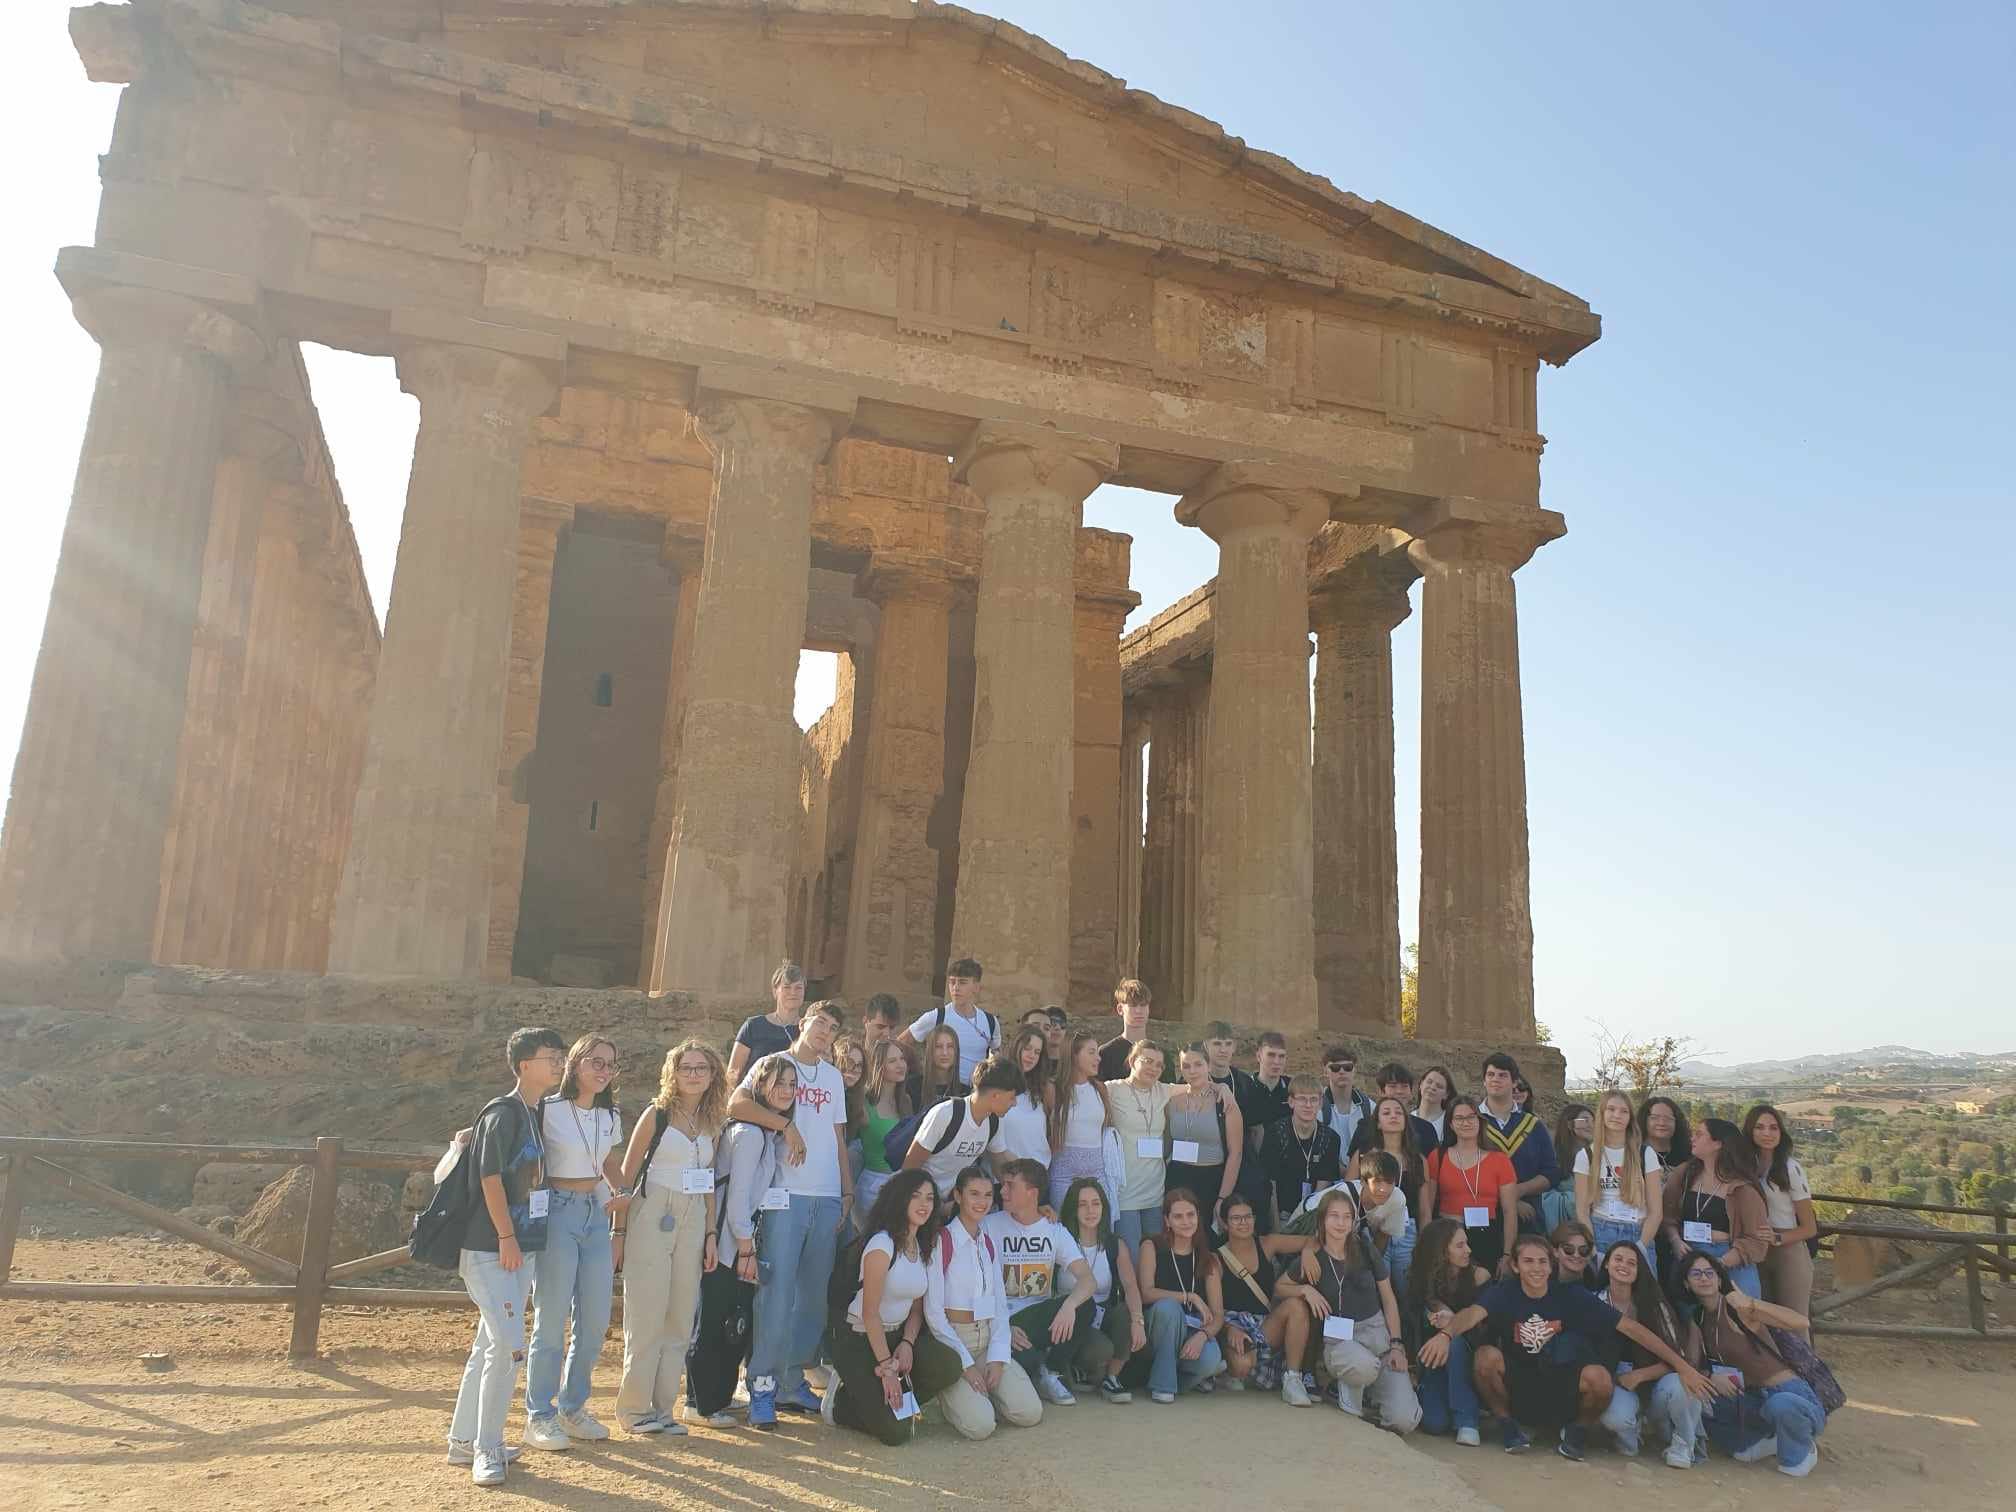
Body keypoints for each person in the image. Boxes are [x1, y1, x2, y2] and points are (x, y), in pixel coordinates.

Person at [1420, 1234, 1711, 1460]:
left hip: (1562, 1386)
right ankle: (1507, 1425)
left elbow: (1632, 1329)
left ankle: (1577, 1430)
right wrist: (1445, 1335)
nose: (1536, 1268)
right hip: (1519, 1384)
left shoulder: (1572, 1296)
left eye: (1542, 1262)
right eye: (1529, 1261)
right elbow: (1472, 1315)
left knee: (1600, 1377)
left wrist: (1683, 1366)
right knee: (1485, 1357)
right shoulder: (1503, 1293)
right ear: (1515, 1266)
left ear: (1551, 1265)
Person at [447, 1026, 567, 1486]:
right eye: (550, 1056)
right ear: (523, 1065)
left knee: (490, 1344)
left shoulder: (532, 1112)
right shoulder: (504, 1112)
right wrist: (506, 1236)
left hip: (517, 1247)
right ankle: (488, 1447)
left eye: (559, 1056)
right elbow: (490, 1178)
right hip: (492, 1248)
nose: (558, 1063)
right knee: (510, 1347)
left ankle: (464, 1440)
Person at [724, 1000, 853, 1427]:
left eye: (833, 1028)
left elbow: (838, 1136)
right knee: (776, 1296)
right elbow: (736, 1105)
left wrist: (846, 1189)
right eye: (820, 1023)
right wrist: (785, 1125)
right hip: (784, 1195)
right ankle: (761, 1385)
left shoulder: (833, 1076)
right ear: (802, 1023)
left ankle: (791, 1382)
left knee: (811, 1299)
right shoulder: (775, 1063)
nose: (825, 1032)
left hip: (826, 1196)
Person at [614, 1039, 725, 1436]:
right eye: (686, 1067)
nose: (693, 1074)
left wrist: (711, 1232)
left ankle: (664, 1410)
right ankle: (633, 1410)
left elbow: (709, 1180)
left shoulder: (713, 1121)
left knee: (680, 1316)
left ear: (712, 1075)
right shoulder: (656, 1114)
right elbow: (626, 1178)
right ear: (672, 1073)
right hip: (653, 1211)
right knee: (647, 1315)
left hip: (694, 1217)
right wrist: (619, 1232)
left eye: (701, 1068)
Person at [524, 1033, 629, 1451]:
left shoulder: (609, 1114)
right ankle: (540, 1414)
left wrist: (623, 1191)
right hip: (557, 1210)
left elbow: (608, 1162)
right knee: (551, 1318)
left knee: (595, 1320)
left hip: (595, 1213)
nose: (603, 1071)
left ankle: (573, 1408)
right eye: (595, 1062)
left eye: (610, 1064)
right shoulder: (547, 1108)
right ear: (575, 1063)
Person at [686, 1054, 795, 1426]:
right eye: (779, 1083)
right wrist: (746, 1248)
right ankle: (700, 1404)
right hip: (728, 1243)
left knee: (731, 1320)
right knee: (714, 1320)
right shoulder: (749, 1135)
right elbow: (737, 1199)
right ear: (759, 1086)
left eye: (792, 1085)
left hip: (738, 1241)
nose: (786, 1091)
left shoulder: (764, 1133)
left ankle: (714, 1396)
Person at [824, 1170, 964, 1444]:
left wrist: (908, 1343)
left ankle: (893, 1406)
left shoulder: (921, 1245)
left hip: (897, 1336)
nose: (924, 1204)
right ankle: (841, 1403)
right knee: (896, 1435)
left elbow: (916, 1308)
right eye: (915, 1196)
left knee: (949, 1364)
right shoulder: (882, 1244)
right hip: (859, 1339)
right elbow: (870, 1313)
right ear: (899, 1199)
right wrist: (887, 1369)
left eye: (930, 1198)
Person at [1677, 1247, 1826, 1476]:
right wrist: (1711, 1377)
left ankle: (1803, 1447)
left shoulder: (1740, 1309)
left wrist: (1752, 1303)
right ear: (1686, 1283)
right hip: (1753, 1398)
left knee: (1784, 1426)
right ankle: (1770, 1438)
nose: (1704, 1278)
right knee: (1701, 1401)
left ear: (1719, 1279)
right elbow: (1692, 1367)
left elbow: (1800, 1322)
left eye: (1709, 1272)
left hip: (1789, 1394)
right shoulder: (1698, 1318)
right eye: (1696, 1274)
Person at [926, 1164, 1044, 1437]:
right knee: (980, 1427)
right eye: (974, 1194)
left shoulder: (987, 1243)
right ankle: (947, 1396)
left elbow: (999, 1306)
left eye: (988, 1195)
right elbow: (933, 1312)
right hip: (954, 1342)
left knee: (1029, 1413)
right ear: (958, 1196)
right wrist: (965, 1366)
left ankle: (984, 1397)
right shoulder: (942, 1242)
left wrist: (998, 1357)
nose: (982, 1202)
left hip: (987, 1338)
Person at [1293, 1187, 1419, 1431]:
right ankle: (1346, 1385)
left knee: (1404, 1420)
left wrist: (1396, 1345)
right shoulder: (1313, 1255)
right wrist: (1305, 1290)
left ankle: (1363, 1392)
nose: (1341, 1223)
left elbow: (1389, 1298)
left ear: (1354, 1221)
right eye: (1334, 1216)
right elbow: (1281, 1287)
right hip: (1340, 1342)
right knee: (1364, 1367)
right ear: (1322, 1219)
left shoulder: (1365, 1249)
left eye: (1347, 1217)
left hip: (1377, 1338)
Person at [982, 1158, 1096, 1405]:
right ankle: (1038, 1369)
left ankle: (1051, 1370)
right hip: (1002, 1318)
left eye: (1010, 1185)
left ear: (1032, 1193)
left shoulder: (1054, 1230)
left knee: (1086, 1305)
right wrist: (1002, 1326)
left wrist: (1068, 1306)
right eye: (1003, 1184)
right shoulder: (989, 1225)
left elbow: (1088, 1280)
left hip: (1038, 1318)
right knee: (1028, 1360)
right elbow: (975, 1286)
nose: (1002, 1191)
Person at [1594, 1239, 1703, 1468]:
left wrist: (1640, 1375)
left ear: (1639, 1270)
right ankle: (1629, 1439)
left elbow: (1678, 1357)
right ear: (1606, 1264)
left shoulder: (1655, 1305)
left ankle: (1684, 1444)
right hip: (1616, 1384)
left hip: (1656, 1384)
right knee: (1615, 1417)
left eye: (1631, 1263)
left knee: (1683, 1382)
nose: (1624, 1265)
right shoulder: (1595, 1303)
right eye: (1618, 1259)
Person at [1214, 1191, 1315, 1404]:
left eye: (1248, 1216)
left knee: (1296, 1306)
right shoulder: (1216, 1259)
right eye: (1236, 1218)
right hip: (1234, 1325)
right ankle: (1233, 1367)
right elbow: (1214, 1309)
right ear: (1224, 1223)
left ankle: (1293, 1378)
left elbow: (1314, 1241)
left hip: (1265, 1326)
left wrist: (1306, 1252)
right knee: (1241, 1365)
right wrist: (1229, 1329)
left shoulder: (1268, 1243)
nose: (1243, 1223)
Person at [1661, 1117, 1772, 1298]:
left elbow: (1757, 1240)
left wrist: (1721, 1262)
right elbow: (1667, 1215)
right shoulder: (1684, 1174)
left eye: (1699, 1134)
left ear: (1718, 1144)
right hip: (1688, 1255)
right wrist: (1675, 1240)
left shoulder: (1742, 1187)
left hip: (1729, 1259)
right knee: (1687, 1313)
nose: (1692, 1138)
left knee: (1738, 1313)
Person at [1061, 1176, 1149, 1401]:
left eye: (1096, 1203)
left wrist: (1138, 1320)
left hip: (1102, 1315)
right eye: (1082, 1204)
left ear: (1104, 1207)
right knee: (1102, 1349)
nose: (1090, 1210)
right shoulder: (1061, 1239)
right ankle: (1077, 1368)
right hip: (1072, 1318)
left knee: (1126, 1312)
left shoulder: (1114, 1244)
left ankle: (1112, 1378)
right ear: (1073, 1209)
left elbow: (1130, 1286)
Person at [1135, 1187, 1226, 1402]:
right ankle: (1163, 1386)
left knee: (1211, 1359)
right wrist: (1190, 1297)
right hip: (1156, 1328)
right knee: (1169, 1307)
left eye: (1190, 1215)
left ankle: (1168, 1377)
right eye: (1178, 1216)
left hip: (1191, 1330)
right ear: (1167, 1221)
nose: (1186, 1222)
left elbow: (1218, 1315)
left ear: (1198, 1217)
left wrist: (1202, 1336)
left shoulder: (1209, 1258)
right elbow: (1146, 1293)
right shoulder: (1151, 1246)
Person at [1407, 1218, 1490, 1444]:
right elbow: (1411, 1326)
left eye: (1466, 1243)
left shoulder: (1479, 1276)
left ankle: (1467, 1420)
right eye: (1460, 1245)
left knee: (1454, 1343)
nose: (1468, 1250)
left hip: (1469, 1356)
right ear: (1441, 1251)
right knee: (1434, 1423)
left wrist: (1452, 1323)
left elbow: (1486, 1327)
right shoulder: (1421, 1279)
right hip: (1433, 1360)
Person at [1421, 1095, 1518, 1274]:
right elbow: (1427, 1206)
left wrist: (1507, 1254)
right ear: (1451, 1124)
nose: (1466, 1122)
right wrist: (1426, 1244)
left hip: (1486, 1235)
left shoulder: (1500, 1160)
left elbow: (1509, 1211)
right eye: (1459, 1118)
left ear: (1479, 1120)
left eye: (1471, 1117)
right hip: (1448, 1234)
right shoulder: (1437, 1156)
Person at [905, 1055, 1021, 1195]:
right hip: (923, 1199)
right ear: (996, 1095)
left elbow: (999, 1160)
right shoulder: (945, 1114)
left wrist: (1019, 1191)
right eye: (1012, 1097)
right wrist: (929, 1202)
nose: (1015, 1103)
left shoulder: (994, 1121)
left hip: (953, 1199)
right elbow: (909, 1169)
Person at [1348, 1096, 1426, 1294]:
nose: (1393, 1116)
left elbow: (1425, 1207)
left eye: (1399, 1112)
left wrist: (1424, 1241)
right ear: (1378, 1123)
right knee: (1375, 1288)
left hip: (1406, 1232)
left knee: (1406, 1290)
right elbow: (1348, 1192)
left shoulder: (1418, 1160)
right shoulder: (1364, 1154)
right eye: (1386, 1112)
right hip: (1372, 1227)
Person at [1745, 1104, 1817, 1317]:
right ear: (1750, 1131)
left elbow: (1809, 1228)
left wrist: (1777, 1238)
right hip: (1755, 1251)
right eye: (1759, 1127)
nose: (1767, 1133)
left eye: (1773, 1127)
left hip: (1788, 1252)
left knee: (1794, 1321)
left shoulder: (1790, 1168)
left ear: (1781, 1132)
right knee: (1762, 1320)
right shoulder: (1745, 1166)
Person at [1576, 1089, 1663, 1262]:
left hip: (1639, 1232)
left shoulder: (1645, 1154)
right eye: (1611, 1109)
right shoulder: (1586, 1155)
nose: (1617, 1115)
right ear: (1602, 1113)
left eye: (1624, 1111)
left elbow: (1656, 1212)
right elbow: (1582, 1211)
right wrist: (1593, 1250)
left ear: (1630, 1117)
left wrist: (1640, 1247)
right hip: (1600, 1231)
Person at [1477, 1053, 1558, 1232]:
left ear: (1514, 1082)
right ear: (1484, 1081)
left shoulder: (1533, 1125)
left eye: (1502, 1075)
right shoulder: (1472, 1121)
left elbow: (1551, 1173)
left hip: (1528, 1218)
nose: (1495, 1079)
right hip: (1482, 1217)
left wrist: (1519, 1190)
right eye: (1490, 1074)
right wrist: (1509, 1199)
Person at [1106, 1040, 1174, 1250]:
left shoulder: (1163, 1091)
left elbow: (1198, 1087)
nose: (1154, 1068)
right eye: (1148, 1061)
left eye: (1159, 1065)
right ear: (1132, 1061)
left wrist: (1223, 1088)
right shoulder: (1113, 1089)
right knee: (1131, 1256)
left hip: (1155, 1193)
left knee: (1156, 1256)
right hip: (1125, 1194)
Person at [1166, 1044, 1242, 1232]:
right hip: (1177, 1179)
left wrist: (1223, 1198)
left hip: (1211, 1181)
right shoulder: (1172, 1099)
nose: (1192, 1071)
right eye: (1186, 1066)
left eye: (1198, 1064)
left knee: (1206, 1240)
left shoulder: (1224, 1100)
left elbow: (1236, 1153)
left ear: (1208, 1065)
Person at [1257, 1074, 1343, 1226]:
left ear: (1320, 1103)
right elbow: (1270, 1185)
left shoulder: (1331, 1138)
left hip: (1312, 1214)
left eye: (1313, 1099)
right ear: (1291, 1102)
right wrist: (1276, 1228)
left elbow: (1323, 1186)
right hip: (1280, 1213)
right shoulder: (1275, 1134)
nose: (1308, 1105)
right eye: (1302, 1099)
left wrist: (1310, 1224)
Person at [900, 957, 998, 1083]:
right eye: (952, 982)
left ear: (976, 987)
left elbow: (997, 1057)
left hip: (976, 1091)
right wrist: (918, 1070)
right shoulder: (937, 1016)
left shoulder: (990, 1022)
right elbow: (901, 1042)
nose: (955, 988)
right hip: (942, 1089)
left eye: (962, 982)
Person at [1046, 1030, 1115, 1210]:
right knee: (1064, 1223)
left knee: (1098, 1223)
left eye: (1097, 1052)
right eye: (1091, 1052)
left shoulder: (1100, 1088)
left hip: (1097, 1174)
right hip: (1063, 1174)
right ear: (1073, 1055)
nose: (1098, 1058)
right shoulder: (1053, 1089)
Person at [853, 1039, 917, 1232]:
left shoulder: (906, 1101)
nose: (900, 1065)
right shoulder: (863, 1101)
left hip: (902, 1184)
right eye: (892, 1061)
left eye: (902, 1059)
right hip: (872, 1186)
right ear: (879, 1067)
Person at [727, 961, 806, 1081]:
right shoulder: (753, 1026)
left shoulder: (809, 1030)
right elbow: (733, 1072)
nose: (793, 992)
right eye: (787, 987)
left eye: (798, 988)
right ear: (775, 992)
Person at [990, 1026, 1054, 1166]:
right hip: (1004, 1172)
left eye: (1037, 1052)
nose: (1032, 1056)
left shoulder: (1042, 1089)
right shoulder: (994, 1084)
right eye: (1027, 1048)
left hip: (1039, 1172)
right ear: (1016, 1046)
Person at [1375, 1063, 1444, 1155]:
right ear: (1381, 1091)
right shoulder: (1366, 1127)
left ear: (1411, 1092)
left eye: (1404, 1086)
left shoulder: (1426, 1129)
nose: (1399, 1091)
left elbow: (1434, 1161)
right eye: (1393, 1086)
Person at [1544, 1103, 1594, 1231]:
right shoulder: (1553, 1154)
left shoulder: (1598, 1154)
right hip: (1563, 1225)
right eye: (1585, 1120)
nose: (1591, 1125)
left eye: (1593, 1121)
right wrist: (1573, 1200)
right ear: (1569, 1124)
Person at [1097, 978, 1157, 1081]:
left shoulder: (1160, 1054)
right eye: (1133, 1005)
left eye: (1143, 1005)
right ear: (1120, 1009)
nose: (1139, 1011)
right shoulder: (1106, 1053)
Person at [1318, 1047, 1375, 1151]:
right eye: (1335, 1068)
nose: (1342, 1072)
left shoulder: (1370, 1107)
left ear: (1354, 1070)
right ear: (1325, 1071)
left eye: (1348, 1067)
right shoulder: (1316, 1107)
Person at [911, 1024, 968, 1108]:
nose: (945, 1053)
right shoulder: (912, 1087)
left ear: (956, 1051)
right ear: (929, 1051)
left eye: (950, 1046)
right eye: (938, 1047)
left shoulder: (965, 1093)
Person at [1639, 1095, 1692, 1172]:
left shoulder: (1689, 1155)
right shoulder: (1632, 1154)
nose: (1662, 1123)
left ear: (1677, 1122)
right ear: (1644, 1121)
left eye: (1668, 1118)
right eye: (1654, 1118)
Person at [1548, 1220, 1599, 1289]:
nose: (1576, 1255)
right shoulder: (1543, 1280)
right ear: (1555, 1251)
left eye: (1583, 1250)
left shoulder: (1596, 1282)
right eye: (1569, 1249)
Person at [1414, 1064, 1456, 1146]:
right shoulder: (1407, 1118)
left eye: (1439, 1086)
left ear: (1446, 1094)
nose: (1432, 1087)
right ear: (1421, 1085)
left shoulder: (1450, 1123)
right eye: (1429, 1082)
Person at [861, 994, 901, 1059]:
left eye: (892, 1028)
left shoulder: (906, 1056)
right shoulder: (850, 1054)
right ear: (865, 1021)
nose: (887, 1033)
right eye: (880, 1026)